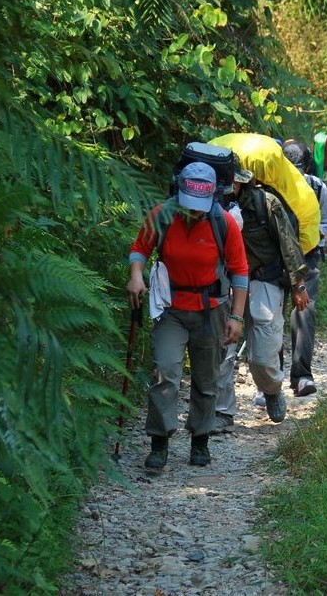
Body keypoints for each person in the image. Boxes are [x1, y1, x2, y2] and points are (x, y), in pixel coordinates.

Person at [127, 162, 249, 470]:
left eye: (199, 208)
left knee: (207, 380)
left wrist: (237, 317)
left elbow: (240, 271)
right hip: (171, 308)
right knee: (165, 372)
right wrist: (136, 275)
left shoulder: (223, 223)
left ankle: (200, 440)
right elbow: (140, 248)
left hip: (212, 310)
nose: (193, 212)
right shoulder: (162, 215)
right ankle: (159, 442)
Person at [209, 134, 317, 431]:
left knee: (264, 356)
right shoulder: (212, 207)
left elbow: (289, 245)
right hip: (226, 283)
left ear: (244, 180)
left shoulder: (265, 203)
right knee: (223, 349)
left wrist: (299, 285)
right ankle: (223, 412)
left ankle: (271, 390)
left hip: (263, 281)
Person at [282, 139, 327, 397]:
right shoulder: (272, 186)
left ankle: (301, 376)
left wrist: (312, 237)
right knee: (268, 316)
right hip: (275, 260)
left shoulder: (317, 187)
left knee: (303, 312)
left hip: (308, 259)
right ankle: (269, 381)